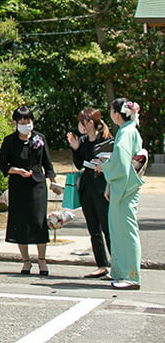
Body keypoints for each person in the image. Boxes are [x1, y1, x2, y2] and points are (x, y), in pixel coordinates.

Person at [0, 106, 62, 275]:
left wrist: (54, 182)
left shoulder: (40, 138)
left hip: (37, 185)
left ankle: (42, 260)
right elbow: (2, 165)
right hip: (18, 186)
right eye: (21, 120)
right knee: (20, 223)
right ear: (16, 122)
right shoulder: (9, 141)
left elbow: (47, 163)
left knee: (39, 222)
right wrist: (17, 171)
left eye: (28, 120)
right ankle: (26, 261)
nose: (25, 123)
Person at [97, 97, 145, 290]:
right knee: (119, 231)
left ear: (117, 113)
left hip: (125, 188)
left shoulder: (126, 133)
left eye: (111, 111)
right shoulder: (127, 131)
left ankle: (131, 275)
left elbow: (121, 163)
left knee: (125, 232)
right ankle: (122, 272)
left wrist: (104, 166)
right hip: (123, 186)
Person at [67, 108, 113, 278]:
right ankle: (101, 264)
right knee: (93, 228)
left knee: (107, 227)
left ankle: (116, 264)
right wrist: (75, 148)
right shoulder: (84, 141)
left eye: (82, 122)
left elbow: (110, 162)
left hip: (101, 188)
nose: (80, 125)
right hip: (86, 188)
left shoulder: (106, 140)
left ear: (90, 123)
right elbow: (80, 165)